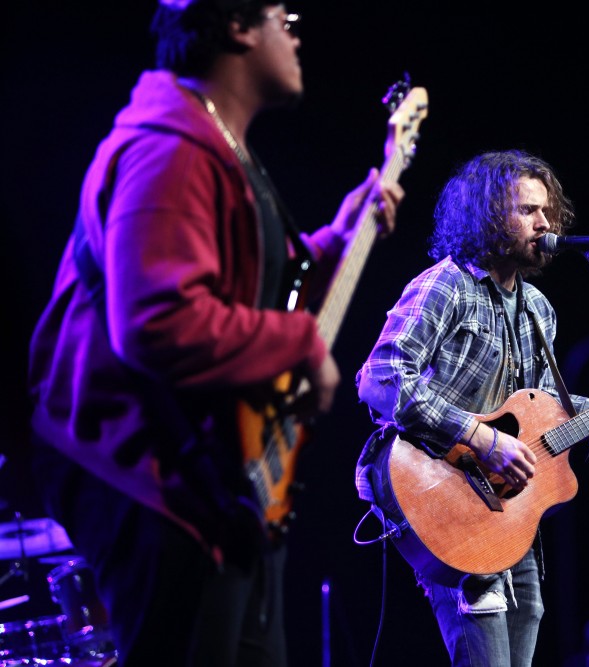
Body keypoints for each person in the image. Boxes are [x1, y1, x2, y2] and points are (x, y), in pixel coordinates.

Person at [26, 1, 404, 665]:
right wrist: (301, 346)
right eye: (282, 19)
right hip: (155, 478)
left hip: (213, 488)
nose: (295, 33)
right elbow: (156, 322)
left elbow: (245, 299)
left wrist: (336, 242)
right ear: (235, 27)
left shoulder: (214, 148)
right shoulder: (166, 149)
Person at [354, 149, 589, 666]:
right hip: (441, 492)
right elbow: (379, 381)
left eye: (548, 212)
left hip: (507, 512)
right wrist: (482, 437)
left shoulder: (538, 309)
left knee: (526, 631)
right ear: (488, 217)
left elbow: (547, 412)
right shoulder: (446, 285)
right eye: (528, 211)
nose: (544, 223)